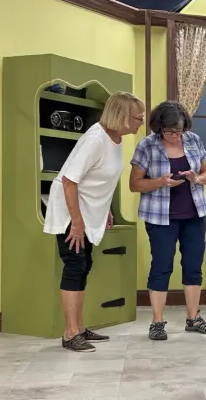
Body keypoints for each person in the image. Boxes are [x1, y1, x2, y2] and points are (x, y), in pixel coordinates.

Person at [43, 91, 145, 353]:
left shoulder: (116, 139)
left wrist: (106, 210)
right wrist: (76, 222)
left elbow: (104, 180)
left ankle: (79, 327)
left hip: (88, 210)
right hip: (70, 210)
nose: (140, 122)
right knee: (75, 265)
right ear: (121, 116)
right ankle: (69, 333)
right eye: (137, 117)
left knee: (84, 264)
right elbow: (69, 180)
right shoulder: (94, 140)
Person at [129, 100, 206, 341]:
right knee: (162, 266)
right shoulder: (146, 146)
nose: (175, 136)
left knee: (193, 267)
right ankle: (157, 323)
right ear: (159, 128)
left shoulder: (193, 140)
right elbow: (134, 184)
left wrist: (196, 178)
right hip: (160, 218)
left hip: (194, 216)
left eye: (179, 130)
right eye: (169, 131)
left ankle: (193, 318)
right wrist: (160, 182)